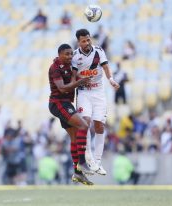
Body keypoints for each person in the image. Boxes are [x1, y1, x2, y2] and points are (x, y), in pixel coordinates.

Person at [72, 29, 120, 175]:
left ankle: (98, 162)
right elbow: (73, 76)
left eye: (88, 39)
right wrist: (80, 81)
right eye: (83, 40)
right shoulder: (75, 56)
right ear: (78, 42)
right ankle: (89, 158)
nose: (87, 43)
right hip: (83, 92)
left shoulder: (99, 51)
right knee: (85, 122)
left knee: (99, 125)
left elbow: (105, 67)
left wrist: (111, 79)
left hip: (98, 91)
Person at [48, 43, 94, 185]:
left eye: (70, 54)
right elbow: (62, 88)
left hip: (66, 104)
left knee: (75, 137)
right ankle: (82, 162)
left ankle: (77, 173)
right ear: (60, 54)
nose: (69, 56)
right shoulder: (55, 68)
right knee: (83, 125)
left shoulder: (70, 65)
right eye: (66, 54)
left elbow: (74, 78)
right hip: (58, 103)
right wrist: (79, 82)